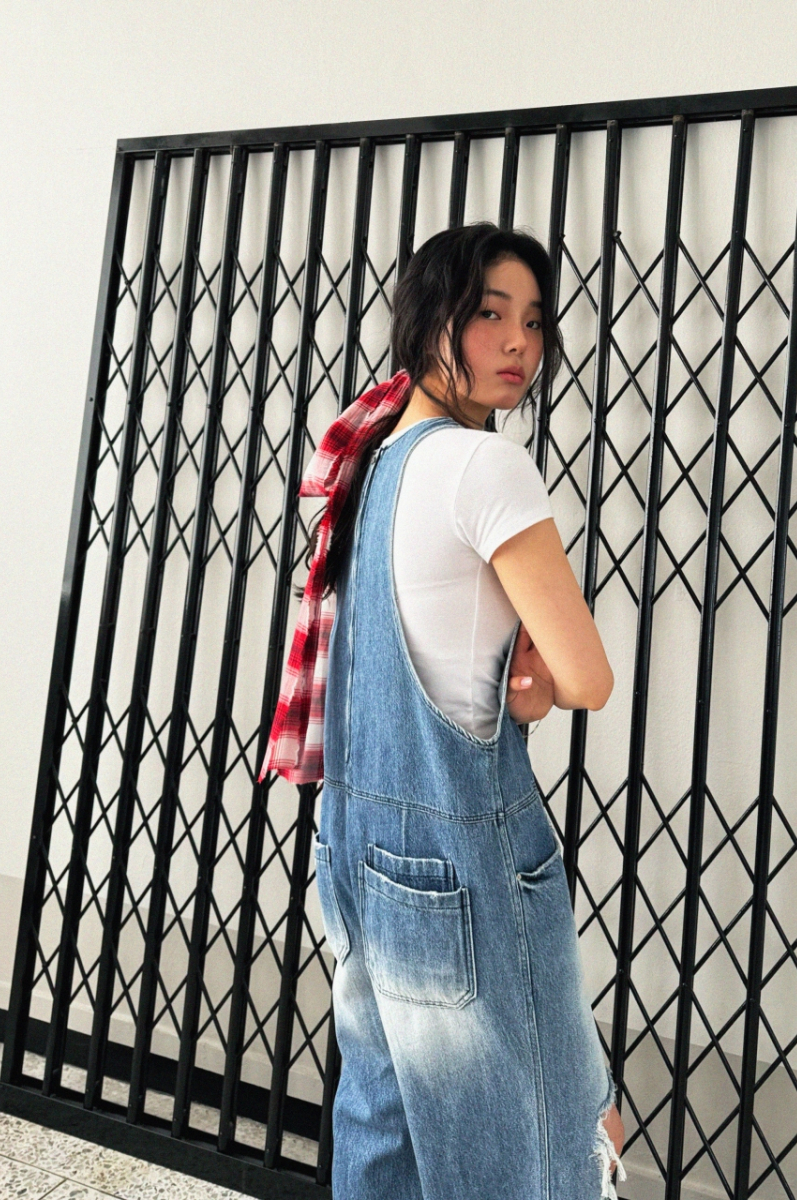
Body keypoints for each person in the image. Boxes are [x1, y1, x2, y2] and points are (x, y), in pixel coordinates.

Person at [263, 222, 625, 1198]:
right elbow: (590, 679)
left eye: (535, 321)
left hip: (356, 847)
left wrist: (526, 681)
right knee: (540, 1143)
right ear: (431, 319)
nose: (518, 343)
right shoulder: (485, 467)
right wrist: (543, 675)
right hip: (465, 868)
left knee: (383, 1129)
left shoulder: (371, 462)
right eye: (489, 314)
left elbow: (450, 656)